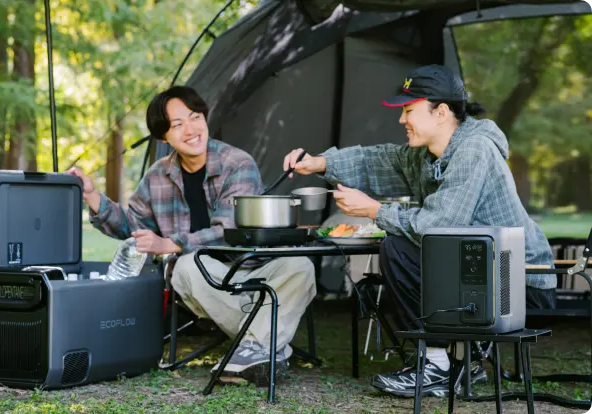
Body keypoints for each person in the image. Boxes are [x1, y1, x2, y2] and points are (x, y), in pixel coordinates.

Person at [282, 64, 556, 397]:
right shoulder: (426, 156)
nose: (401, 120)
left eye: (409, 111)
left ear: (441, 113)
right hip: (485, 273)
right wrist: (319, 163)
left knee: (400, 248)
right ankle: (461, 362)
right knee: (406, 247)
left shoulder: (474, 150)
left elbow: (438, 227)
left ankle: (438, 365)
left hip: (520, 286)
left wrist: (375, 210)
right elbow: (376, 160)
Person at [68, 86, 316, 385]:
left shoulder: (237, 163)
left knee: (300, 266)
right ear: (163, 137)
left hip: (253, 267)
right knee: (185, 265)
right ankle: (266, 346)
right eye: (177, 125)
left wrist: (171, 243)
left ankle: (254, 349)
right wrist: (93, 196)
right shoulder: (157, 176)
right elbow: (132, 226)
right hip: (205, 280)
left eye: (195, 117)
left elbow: (231, 233)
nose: (190, 129)